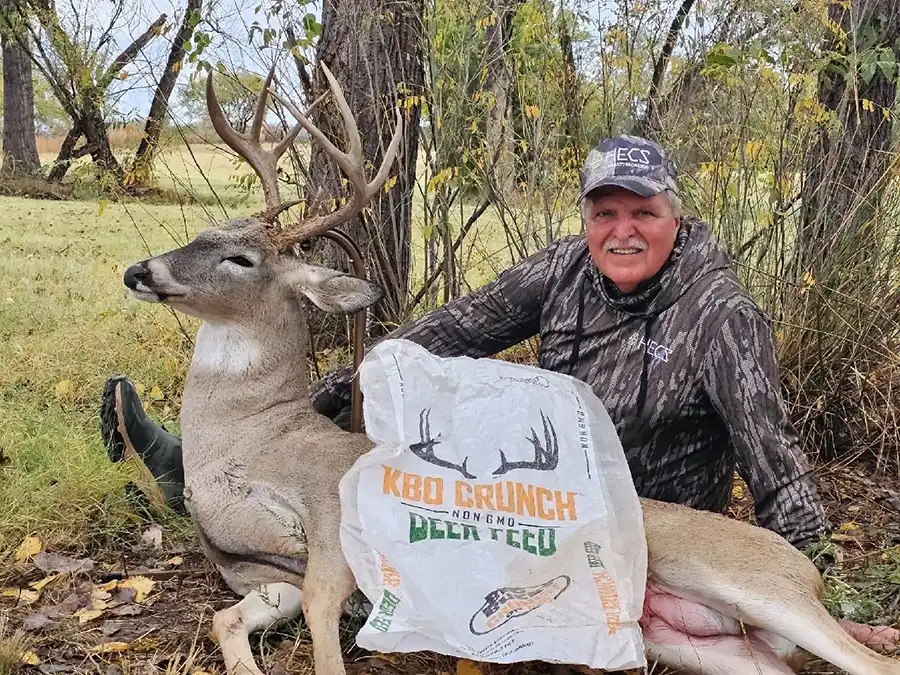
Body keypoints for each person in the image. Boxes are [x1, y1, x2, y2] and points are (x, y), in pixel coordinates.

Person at [101, 134, 829, 551]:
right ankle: (194, 470)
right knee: (421, 432)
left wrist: (810, 578)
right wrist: (340, 388)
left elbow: (779, 469)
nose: (623, 230)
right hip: (539, 504)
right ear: (586, 216)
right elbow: (449, 332)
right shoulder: (565, 267)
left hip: (648, 533)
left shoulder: (720, 314)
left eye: (644, 211)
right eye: (606, 212)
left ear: (677, 215)